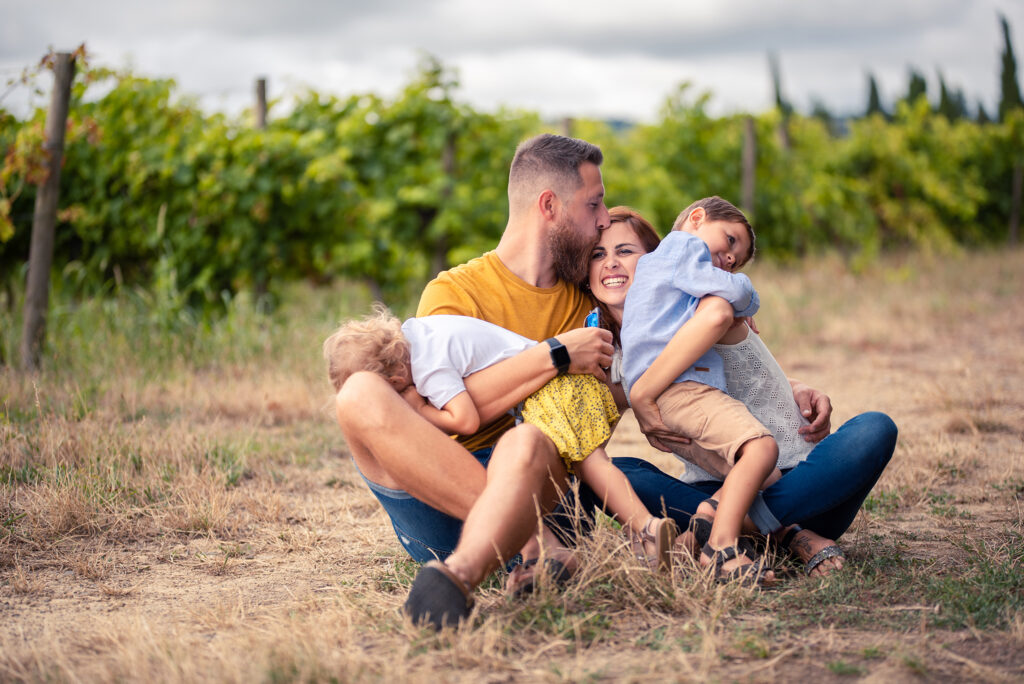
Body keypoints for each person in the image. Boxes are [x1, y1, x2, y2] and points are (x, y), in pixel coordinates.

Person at [332, 133, 615, 631]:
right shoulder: (455, 291)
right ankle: (531, 546)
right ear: (549, 205)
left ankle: (458, 577)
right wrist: (556, 355)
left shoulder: (587, 303)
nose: (605, 219)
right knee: (357, 392)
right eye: (593, 204)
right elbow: (441, 420)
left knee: (525, 439)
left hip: (534, 488)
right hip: (439, 498)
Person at [586, 205, 898, 578]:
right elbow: (588, 439)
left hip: (796, 481)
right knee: (614, 472)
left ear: (656, 258)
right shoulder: (613, 351)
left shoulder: (701, 302)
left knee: (873, 429)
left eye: (625, 251)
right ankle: (779, 534)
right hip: (717, 483)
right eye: (598, 254)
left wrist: (795, 387)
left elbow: (744, 362)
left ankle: (730, 528)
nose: (611, 264)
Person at [323, 309, 677, 572]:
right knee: (593, 462)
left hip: (546, 407)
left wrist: (418, 409)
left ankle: (626, 530)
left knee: (582, 460)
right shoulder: (426, 326)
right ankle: (638, 527)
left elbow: (464, 419)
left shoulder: (429, 367)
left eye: (395, 393)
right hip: (542, 411)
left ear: (400, 377)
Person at [617, 196, 779, 583]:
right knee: (762, 448)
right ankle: (721, 548)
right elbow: (729, 292)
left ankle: (691, 541)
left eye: (735, 263)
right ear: (696, 218)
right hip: (682, 388)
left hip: (671, 399)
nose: (728, 260)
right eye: (730, 242)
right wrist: (745, 294)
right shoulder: (681, 247)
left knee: (761, 477)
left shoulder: (669, 275)